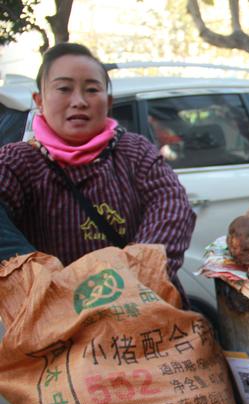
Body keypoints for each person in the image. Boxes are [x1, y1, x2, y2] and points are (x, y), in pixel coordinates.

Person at [0, 43, 196, 306]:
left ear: (109, 102)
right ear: (39, 101)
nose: (79, 101)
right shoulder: (17, 161)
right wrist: (42, 283)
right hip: (60, 326)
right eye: (63, 88)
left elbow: (172, 206)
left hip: (144, 313)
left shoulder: (135, 152)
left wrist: (127, 282)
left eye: (92, 89)